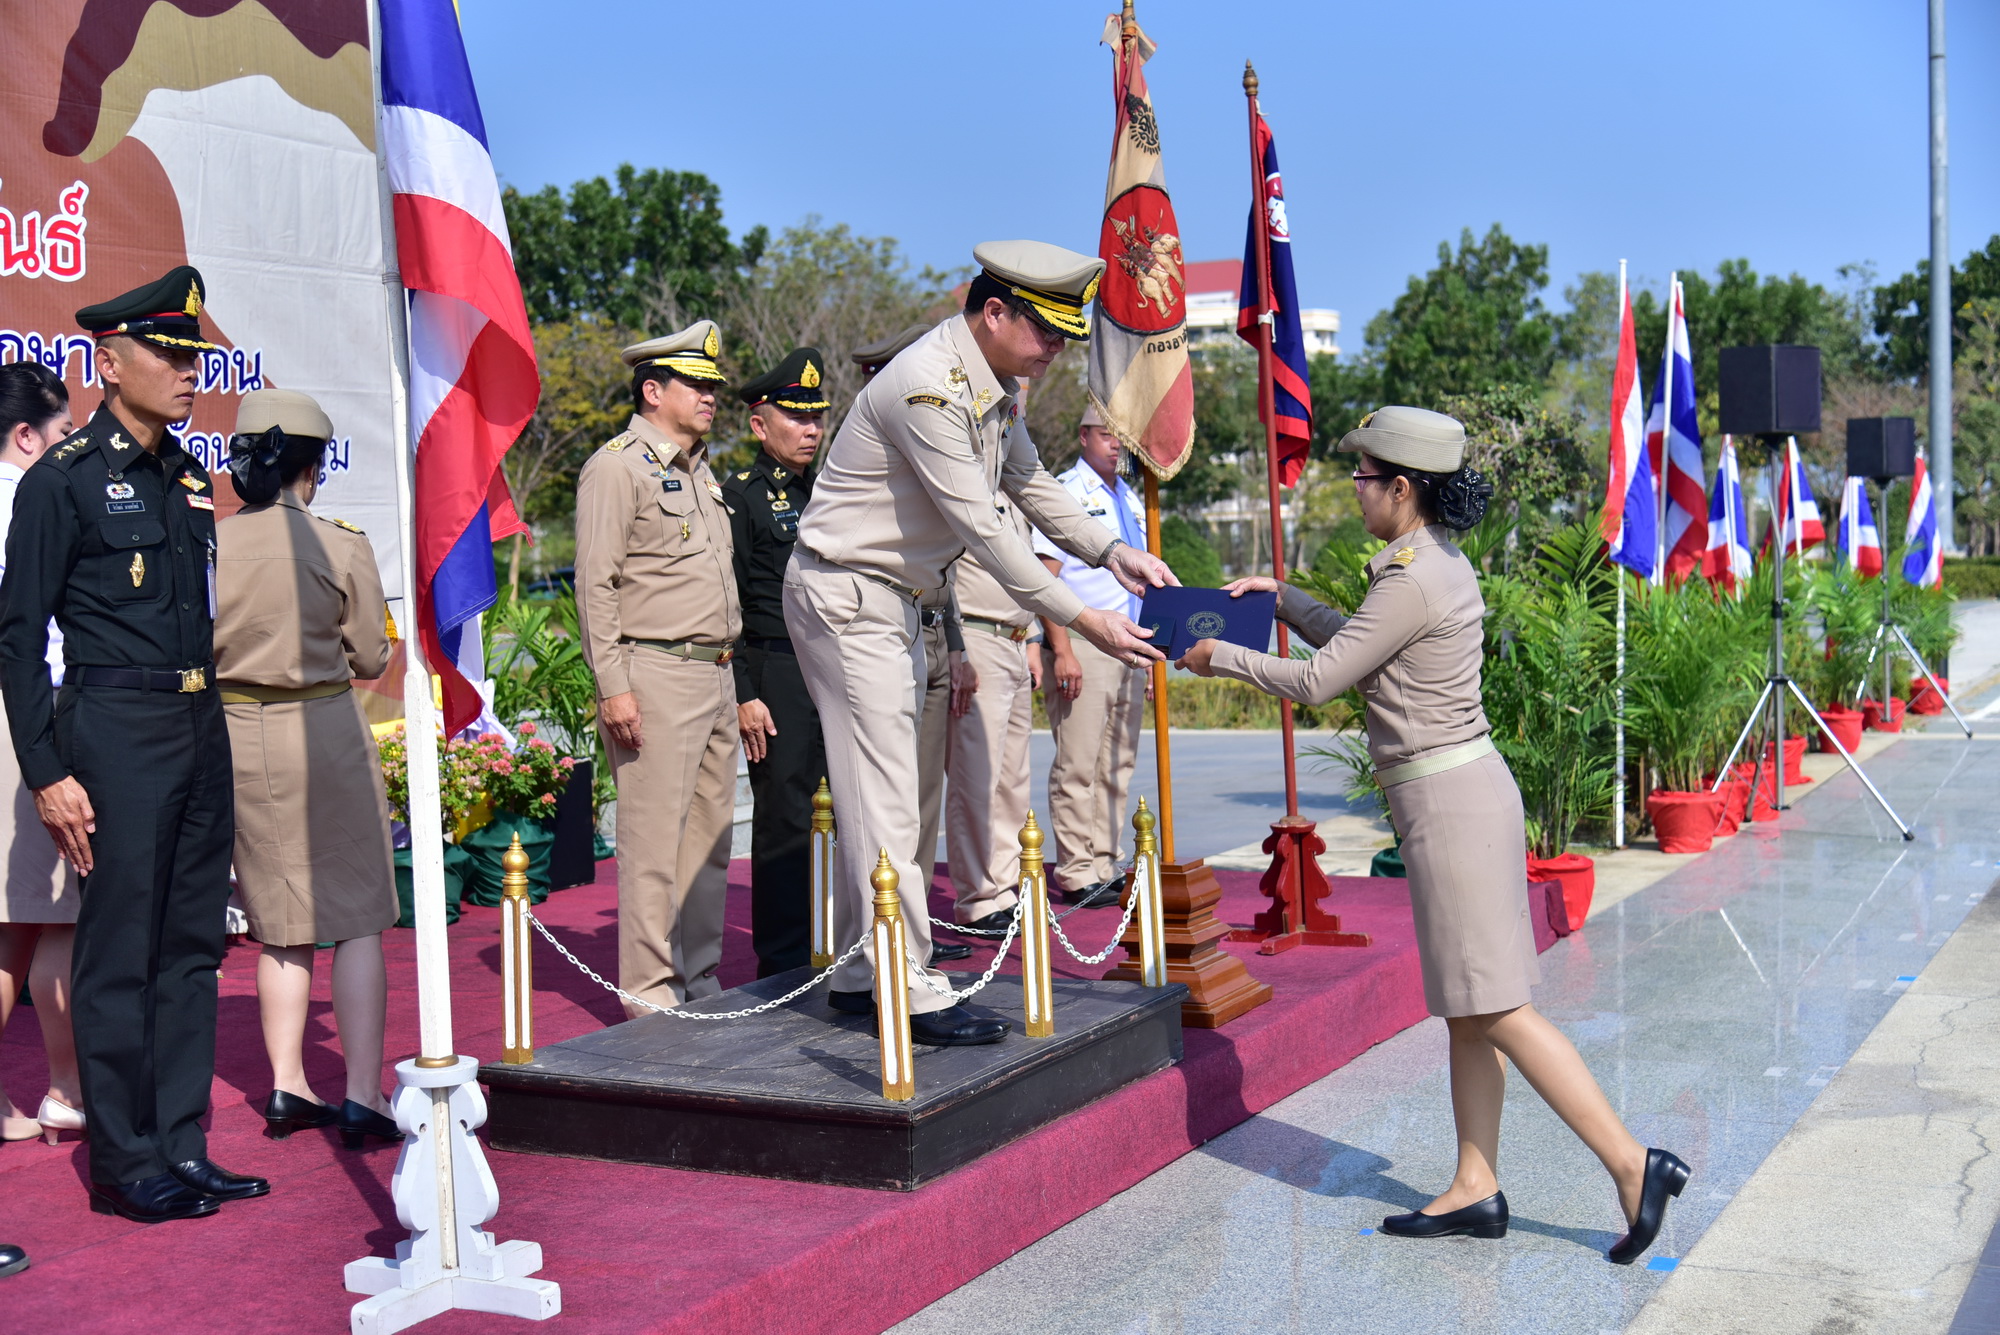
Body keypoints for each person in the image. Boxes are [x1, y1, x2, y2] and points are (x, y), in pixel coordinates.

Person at [1179, 405, 1688, 1264]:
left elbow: (1320, 680)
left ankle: (1634, 1164)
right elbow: (1361, 648)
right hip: (1457, 797)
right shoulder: (1429, 564)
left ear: (1403, 489)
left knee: (1500, 1008)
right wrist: (1285, 600)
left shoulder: (1412, 578)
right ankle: (1474, 1184)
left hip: (1451, 806)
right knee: (1469, 1007)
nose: (1356, 487)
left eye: (1365, 476)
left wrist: (1217, 655)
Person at [784, 240, 1175, 1047]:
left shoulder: (994, 387)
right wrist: (1083, 617)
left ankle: (864, 969)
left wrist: (1112, 551)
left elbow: (1028, 485)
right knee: (885, 794)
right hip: (850, 592)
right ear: (993, 312)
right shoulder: (928, 386)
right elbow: (987, 529)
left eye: (1066, 333)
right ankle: (906, 984)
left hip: (896, 600)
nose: (1057, 347)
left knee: (886, 794)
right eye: (1047, 330)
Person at [0, 266, 265, 1222]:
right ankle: (121, 1158)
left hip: (198, 724)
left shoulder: (187, 475)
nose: (191, 371)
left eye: (195, 355)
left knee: (193, 945)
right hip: (113, 730)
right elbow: (17, 637)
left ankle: (180, 1142)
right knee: (117, 951)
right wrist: (47, 772)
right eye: (169, 353)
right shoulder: (62, 481)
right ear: (109, 365)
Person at [212, 389, 400, 1150]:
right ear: (312, 466)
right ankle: (361, 1095)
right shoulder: (339, 543)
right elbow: (372, 656)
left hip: (236, 730)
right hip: (322, 727)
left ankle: (288, 1084)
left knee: (279, 921)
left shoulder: (211, 543)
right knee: (356, 918)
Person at [576, 320, 738, 1016]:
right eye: (695, 383)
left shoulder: (700, 469)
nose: (709, 395)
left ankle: (699, 981)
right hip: (657, 672)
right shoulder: (616, 467)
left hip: (716, 670)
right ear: (652, 390)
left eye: (712, 385)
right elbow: (596, 584)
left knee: (708, 844)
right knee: (652, 845)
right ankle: (649, 996)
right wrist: (614, 687)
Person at [726, 348, 832, 979]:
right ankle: (785, 961)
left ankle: (833, 943)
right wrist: (744, 691)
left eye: (816, 416)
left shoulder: (830, 491)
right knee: (785, 817)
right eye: (796, 417)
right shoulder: (742, 497)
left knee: (838, 809)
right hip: (778, 669)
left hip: (832, 668)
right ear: (759, 425)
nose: (810, 428)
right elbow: (730, 602)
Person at [0, 363, 82, 1149]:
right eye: (64, 432)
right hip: (29, 716)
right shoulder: (33, 502)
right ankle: (67, 1088)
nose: (72, 445)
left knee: (23, 920)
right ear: (26, 435)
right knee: (50, 916)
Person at [1033, 402, 1148, 907]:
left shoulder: (1131, 496)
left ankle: (1105, 860)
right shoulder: (1065, 493)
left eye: (1121, 434)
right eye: (1106, 434)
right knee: (1079, 762)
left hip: (1130, 644)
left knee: (1117, 762)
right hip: (1084, 640)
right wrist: (1061, 649)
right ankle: (1077, 869)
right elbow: (1046, 579)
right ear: (1083, 437)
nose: (1116, 443)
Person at [941, 518, 1036, 933]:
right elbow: (943, 573)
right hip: (977, 635)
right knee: (976, 779)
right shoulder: (960, 490)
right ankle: (977, 896)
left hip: (1017, 640)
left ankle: (1004, 885)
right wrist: (958, 651)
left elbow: (1023, 570)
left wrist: (1033, 640)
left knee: (1013, 780)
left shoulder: (1014, 498)